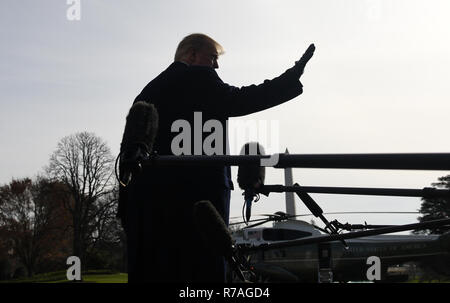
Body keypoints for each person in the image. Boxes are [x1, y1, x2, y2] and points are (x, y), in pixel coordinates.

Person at [119, 33, 315, 282]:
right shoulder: (199, 79)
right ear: (191, 55)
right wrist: (291, 77)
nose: (217, 66)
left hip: (152, 212)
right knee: (207, 273)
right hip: (202, 205)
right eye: (212, 58)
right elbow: (245, 98)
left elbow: (130, 152)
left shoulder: (150, 89)